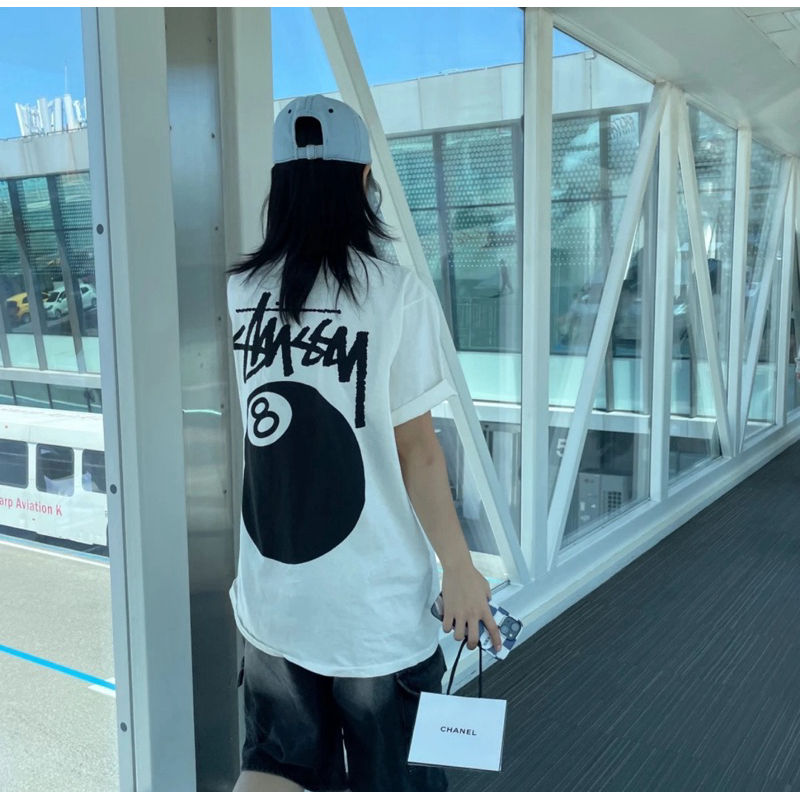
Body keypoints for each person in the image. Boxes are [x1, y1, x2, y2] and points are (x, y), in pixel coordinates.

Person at [226, 95, 503, 793]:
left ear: (280, 186)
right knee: (395, 780)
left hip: (273, 596)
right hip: (373, 610)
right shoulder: (395, 295)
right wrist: (460, 568)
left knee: (276, 771)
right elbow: (418, 452)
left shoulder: (242, 291)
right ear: (361, 182)